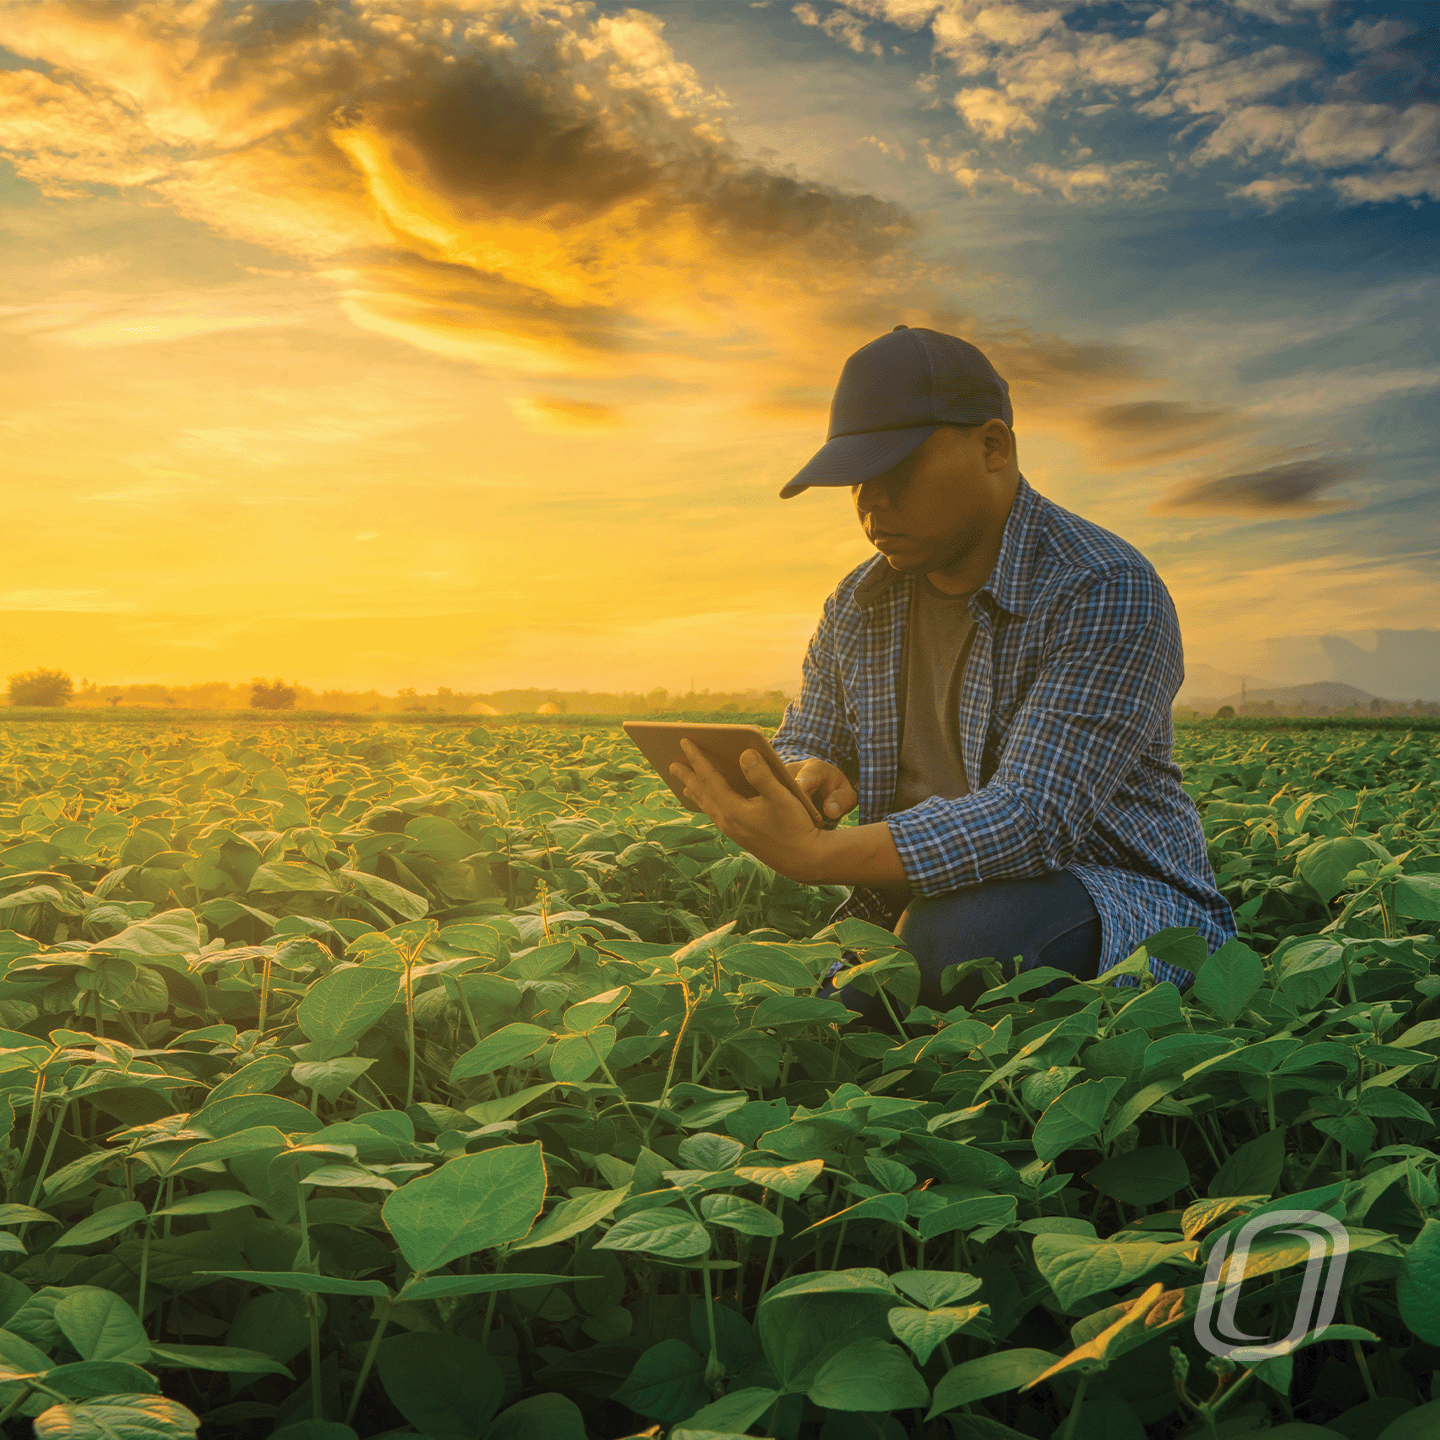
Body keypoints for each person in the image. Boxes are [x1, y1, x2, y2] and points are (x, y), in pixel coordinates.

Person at [669, 325, 1235, 1020]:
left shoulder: (1104, 586)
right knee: (790, 993)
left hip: (1113, 899)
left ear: (993, 447)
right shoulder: (859, 602)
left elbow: (1033, 819)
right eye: (857, 484)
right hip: (920, 901)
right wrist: (806, 773)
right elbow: (810, 732)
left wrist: (815, 855)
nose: (873, 507)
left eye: (898, 473)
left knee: (961, 944)